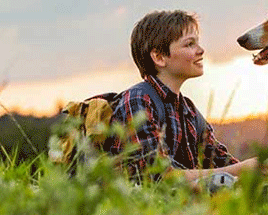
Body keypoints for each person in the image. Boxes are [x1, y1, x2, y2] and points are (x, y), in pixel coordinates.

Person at [107, 10, 258, 184]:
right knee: (220, 184)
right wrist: (238, 170)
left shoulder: (189, 111)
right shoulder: (138, 101)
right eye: (189, 44)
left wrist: (266, 165)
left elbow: (223, 162)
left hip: (176, 209)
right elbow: (160, 176)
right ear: (159, 57)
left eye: (198, 43)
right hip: (137, 209)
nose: (201, 50)